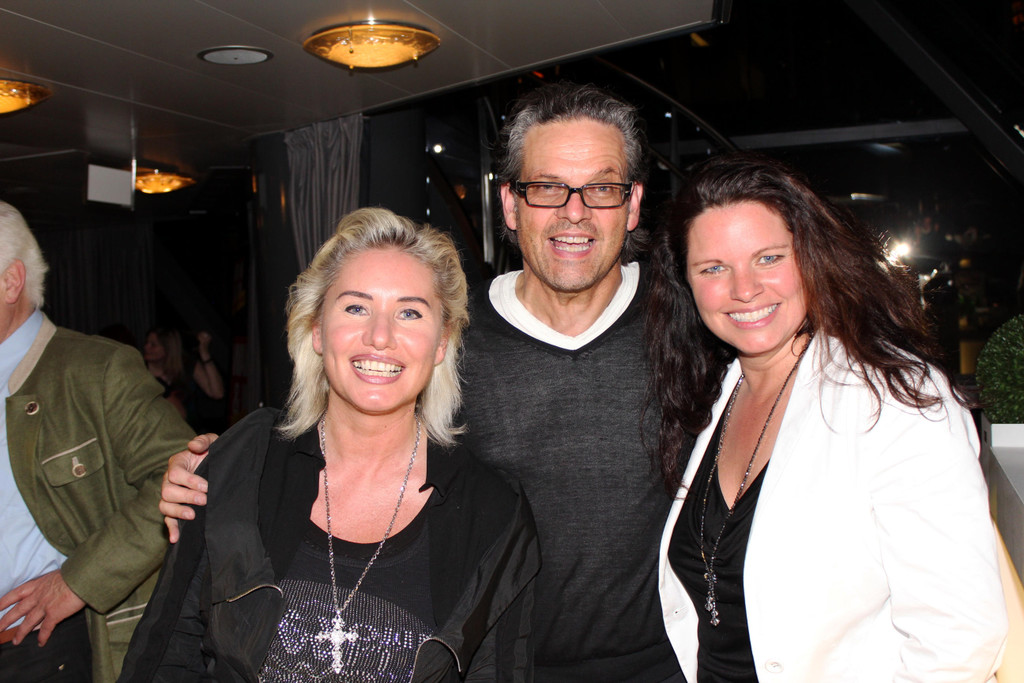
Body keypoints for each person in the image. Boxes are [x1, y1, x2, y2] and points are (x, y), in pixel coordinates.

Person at [161, 82, 687, 682]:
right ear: (510, 204)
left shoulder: (692, 324)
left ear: (633, 203)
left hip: (660, 667)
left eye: (601, 188)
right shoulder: (443, 336)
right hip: (482, 663)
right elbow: (341, 430)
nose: (574, 211)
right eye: (546, 187)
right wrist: (218, 474)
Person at [119, 208, 539, 681]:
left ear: (441, 342)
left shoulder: (493, 512)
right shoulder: (242, 462)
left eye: (409, 312)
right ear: (317, 329)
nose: (380, 337)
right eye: (356, 307)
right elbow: (167, 653)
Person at [647, 152, 1007, 681]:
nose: (744, 289)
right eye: (714, 268)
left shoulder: (895, 398)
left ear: (813, 257)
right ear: (686, 281)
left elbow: (959, 638)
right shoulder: (714, 391)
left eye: (769, 258)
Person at [0, 200, 195, 682]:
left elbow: (185, 477)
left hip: (46, 645)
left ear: (10, 282)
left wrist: (78, 582)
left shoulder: (95, 370)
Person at [143, 327, 225, 427]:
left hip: (187, 430)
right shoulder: (140, 370)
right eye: (146, 343)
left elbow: (217, 393)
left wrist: (204, 352)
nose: (146, 347)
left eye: (153, 345)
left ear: (168, 347)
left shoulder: (186, 366)